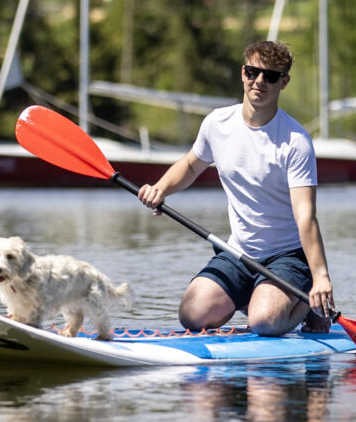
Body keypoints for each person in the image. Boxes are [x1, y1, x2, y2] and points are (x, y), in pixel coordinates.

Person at [138, 41, 334, 336]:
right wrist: (161, 188)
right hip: (238, 251)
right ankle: (253, 295)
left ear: (284, 82)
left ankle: (308, 304)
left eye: (270, 76)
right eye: (253, 72)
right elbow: (192, 164)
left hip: (287, 255)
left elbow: (305, 216)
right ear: (243, 73)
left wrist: (321, 276)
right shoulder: (217, 123)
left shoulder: (296, 141)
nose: (259, 81)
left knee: (265, 323)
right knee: (192, 316)